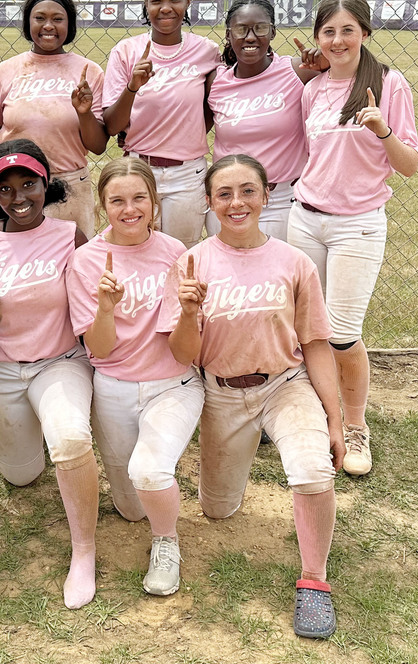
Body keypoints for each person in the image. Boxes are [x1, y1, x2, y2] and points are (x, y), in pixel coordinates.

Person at [159, 153, 345, 639]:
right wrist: (186, 312)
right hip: (222, 394)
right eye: (224, 194)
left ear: (266, 196)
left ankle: (315, 581)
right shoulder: (192, 261)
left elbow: (316, 345)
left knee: (311, 468)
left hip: (285, 383)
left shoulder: (294, 262)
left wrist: (336, 420)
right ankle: (245, 457)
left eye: (248, 191)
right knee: (217, 509)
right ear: (208, 201)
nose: (237, 203)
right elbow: (183, 355)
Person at [287, 0, 418, 477]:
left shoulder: (389, 84)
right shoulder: (313, 89)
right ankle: (321, 420)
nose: (338, 40)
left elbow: (409, 166)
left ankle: (357, 426)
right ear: (318, 38)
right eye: (328, 32)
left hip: (357, 225)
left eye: (347, 30)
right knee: (307, 331)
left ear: (365, 31)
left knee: (342, 334)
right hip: (306, 218)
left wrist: (383, 129)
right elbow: (312, 156)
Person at [65, 158, 203, 598]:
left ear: (155, 202)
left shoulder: (174, 252)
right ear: (103, 207)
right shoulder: (86, 262)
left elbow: (183, 351)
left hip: (171, 383)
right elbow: (100, 350)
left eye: (139, 198)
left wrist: (190, 312)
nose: (130, 209)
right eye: (117, 201)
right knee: (129, 508)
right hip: (114, 387)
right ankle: (155, 474)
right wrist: (105, 307)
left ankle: (167, 543)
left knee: (148, 470)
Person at [0, 139, 97, 609]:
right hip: (1, 369)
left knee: (69, 440)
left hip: (58, 361)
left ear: (47, 184)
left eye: (29, 184)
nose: (19, 197)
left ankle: (84, 550)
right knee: (21, 476)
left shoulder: (70, 235)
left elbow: (90, 309)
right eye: (5, 188)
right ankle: (31, 434)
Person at [103, 0, 220, 248]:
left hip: (187, 173)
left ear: (188, 1)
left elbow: (210, 110)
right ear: (146, 4)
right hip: (139, 169)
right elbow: (112, 125)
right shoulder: (126, 51)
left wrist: (184, 133)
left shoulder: (207, 51)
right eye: (156, 0)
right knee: (136, 250)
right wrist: (133, 87)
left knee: (183, 251)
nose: (165, 8)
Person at [0, 0, 107, 237]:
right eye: (39, 18)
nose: (48, 25)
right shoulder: (7, 71)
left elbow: (98, 146)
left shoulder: (89, 71)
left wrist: (83, 113)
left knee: (74, 263)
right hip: (16, 184)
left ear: (69, 24)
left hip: (69, 183)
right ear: (28, 22)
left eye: (58, 19)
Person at [205, 0, 327, 241]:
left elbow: (348, 75)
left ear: (273, 32)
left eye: (260, 28)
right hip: (229, 199)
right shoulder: (216, 81)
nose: (250, 37)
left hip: (281, 200)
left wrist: (325, 64)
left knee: (279, 277)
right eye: (241, 29)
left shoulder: (296, 71)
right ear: (229, 35)